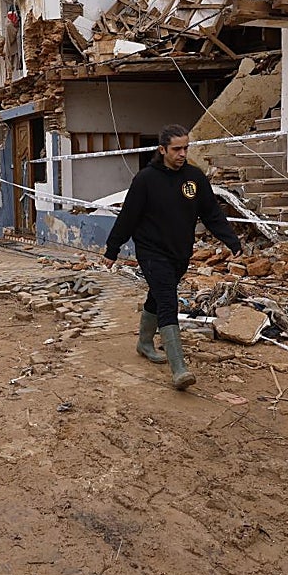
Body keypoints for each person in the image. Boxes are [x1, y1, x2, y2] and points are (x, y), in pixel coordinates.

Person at [103, 124, 241, 390]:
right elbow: (128, 217)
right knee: (167, 300)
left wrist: (231, 240)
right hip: (151, 252)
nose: (182, 153)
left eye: (186, 148)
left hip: (180, 252)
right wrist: (112, 249)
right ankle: (179, 369)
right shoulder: (145, 179)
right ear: (162, 149)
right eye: (177, 149)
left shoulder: (194, 178)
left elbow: (211, 213)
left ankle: (144, 343)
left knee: (158, 295)